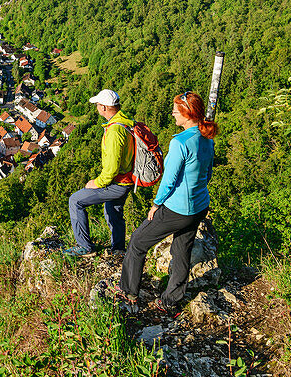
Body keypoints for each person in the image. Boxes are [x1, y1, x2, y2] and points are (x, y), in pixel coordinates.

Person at [104, 91, 217, 314]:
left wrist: (156, 204)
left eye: (176, 110)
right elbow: (208, 174)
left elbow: (169, 180)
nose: (173, 114)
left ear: (186, 114)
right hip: (199, 206)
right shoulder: (207, 138)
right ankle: (170, 302)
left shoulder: (180, 143)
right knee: (181, 250)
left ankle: (128, 291)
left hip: (178, 208)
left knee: (137, 242)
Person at [65, 89, 135, 256]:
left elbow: (111, 168)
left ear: (104, 107)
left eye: (97, 105)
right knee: (112, 211)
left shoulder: (114, 131)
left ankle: (85, 247)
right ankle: (118, 249)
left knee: (75, 201)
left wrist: (96, 183)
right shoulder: (126, 122)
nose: (96, 107)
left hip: (117, 182)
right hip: (127, 179)